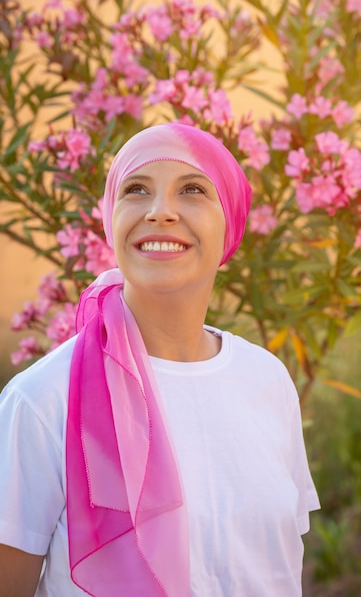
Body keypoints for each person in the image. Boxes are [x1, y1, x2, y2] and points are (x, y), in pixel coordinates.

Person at [0, 123, 320, 597]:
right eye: (136, 190)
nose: (160, 212)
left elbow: (275, 564)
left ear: (230, 222)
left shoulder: (266, 379)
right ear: (111, 219)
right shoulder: (43, 399)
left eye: (192, 189)